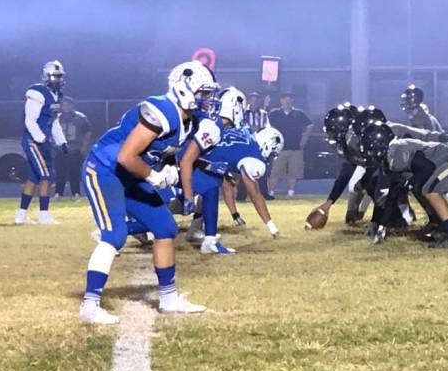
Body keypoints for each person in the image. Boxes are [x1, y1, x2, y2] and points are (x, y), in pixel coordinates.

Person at [79, 61, 218, 324]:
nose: (207, 99)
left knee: (165, 227)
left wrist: (169, 170)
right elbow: (125, 156)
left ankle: (168, 298)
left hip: (131, 174)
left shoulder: (190, 121)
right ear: (184, 88)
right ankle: (90, 304)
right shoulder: (162, 110)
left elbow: (163, 153)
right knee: (114, 235)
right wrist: (155, 176)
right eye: (204, 92)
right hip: (106, 169)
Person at [179, 87, 284, 254]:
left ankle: (205, 236)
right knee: (172, 206)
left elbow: (226, 183)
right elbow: (254, 194)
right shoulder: (252, 155)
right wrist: (272, 227)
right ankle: (135, 225)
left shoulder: (241, 133)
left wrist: (234, 213)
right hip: (190, 165)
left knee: (211, 186)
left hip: (197, 163)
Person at [359, 121, 448, 248]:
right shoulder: (391, 157)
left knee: (429, 190)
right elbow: (392, 196)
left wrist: (409, 183)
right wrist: (381, 226)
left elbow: (427, 167)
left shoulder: (397, 149)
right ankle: (440, 229)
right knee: (421, 189)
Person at [400, 84, 448, 212]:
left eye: (408, 98)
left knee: (437, 176)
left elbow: (425, 133)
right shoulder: (419, 114)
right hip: (439, 145)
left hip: (435, 147)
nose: (406, 100)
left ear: (414, 99)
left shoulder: (419, 113)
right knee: (445, 174)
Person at [15, 60, 69, 225]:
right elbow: (30, 121)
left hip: (43, 141)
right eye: (54, 76)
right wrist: (41, 138)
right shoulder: (37, 92)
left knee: (33, 178)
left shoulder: (58, 96)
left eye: (60, 77)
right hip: (34, 140)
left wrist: (62, 141)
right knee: (47, 176)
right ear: (46, 76)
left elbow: (53, 122)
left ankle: (21, 215)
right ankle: (43, 215)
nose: (57, 80)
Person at [267, 92, 312, 198]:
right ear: (281, 101)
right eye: (285, 99)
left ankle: (291, 192)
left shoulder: (299, 113)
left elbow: (310, 125)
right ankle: (271, 192)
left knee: (293, 172)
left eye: (289, 99)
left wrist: (304, 139)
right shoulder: (274, 113)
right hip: (279, 148)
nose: (287, 102)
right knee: (275, 171)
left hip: (295, 147)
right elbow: (266, 125)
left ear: (292, 101)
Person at [55, 97, 92, 198]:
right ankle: (58, 193)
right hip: (60, 149)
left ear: (72, 106)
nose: (66, 107)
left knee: (74, 172)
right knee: (60, 172)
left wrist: (84, 147)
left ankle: (76, 192)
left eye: (68, 105)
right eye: (64, 105)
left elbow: (87, 133)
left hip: (75, 149)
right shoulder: (57, 118)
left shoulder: (80, 118)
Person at [238, 91, 272, 199]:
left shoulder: (263, 114)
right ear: (248, 101)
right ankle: (241, 194)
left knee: (262, 168)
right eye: (251, 100)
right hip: (246, 144)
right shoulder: (242, 113)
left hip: (260, 145)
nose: (254, 103)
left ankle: (263, 192)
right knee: (244, 168)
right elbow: (239, 126)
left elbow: (267, 127)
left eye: (256, 100)